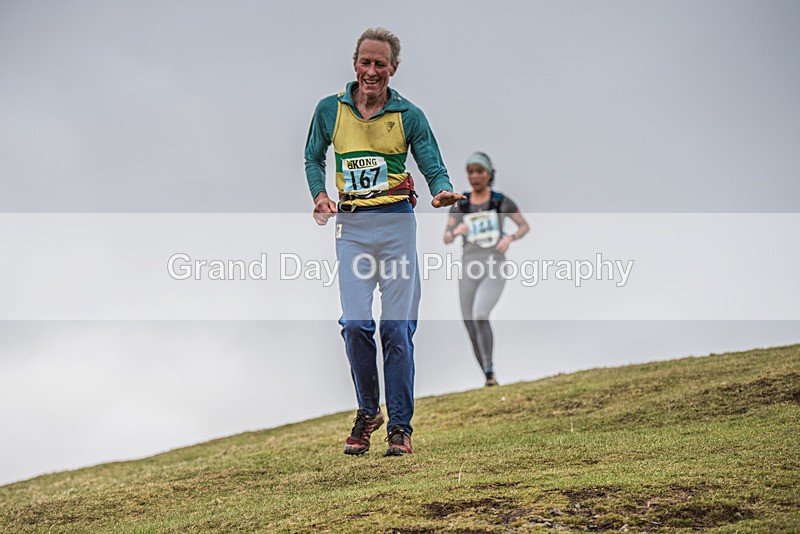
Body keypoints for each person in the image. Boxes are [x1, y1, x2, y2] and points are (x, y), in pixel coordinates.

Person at [304, 28, 464, 456]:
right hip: (352, 228)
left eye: (380, 64)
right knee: (355, 324)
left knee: (396, 329)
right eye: (365, 62)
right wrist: (319, 194)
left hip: (396, 224)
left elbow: (432, 160)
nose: (371, 71)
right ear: (355, 63)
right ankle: (367, 410)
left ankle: (400, 427)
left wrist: (442, 189)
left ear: (393, 68)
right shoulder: (329, 110)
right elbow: (313, 156)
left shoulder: (408, 115)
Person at [443, 152, 530, 387]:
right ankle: (488, 376)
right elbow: (447, 237)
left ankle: (490, 369)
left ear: (489, 174)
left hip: (494, 265)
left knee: (480, 314)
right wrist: (456, 231)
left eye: (479, 171)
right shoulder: (461, 203)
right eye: (470, 171)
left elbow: (523, 226)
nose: (474, 176)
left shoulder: (501, 201)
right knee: (470, 323)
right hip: (468, 268)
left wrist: (509, 238)